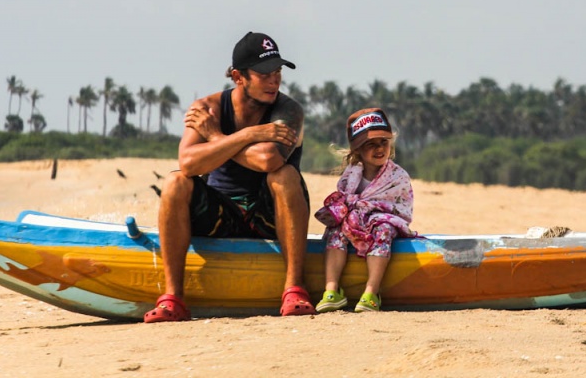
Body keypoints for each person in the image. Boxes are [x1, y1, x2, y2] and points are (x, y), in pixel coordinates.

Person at [144, 31, 314, 322]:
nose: (274, 80)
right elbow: (187, 163)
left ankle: (294, 289)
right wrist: (249, 134)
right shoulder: (206, 108)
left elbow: (268, 159)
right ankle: (173, 299)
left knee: (283, 175)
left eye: (277, 72)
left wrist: (215, 139)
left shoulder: (288, 110)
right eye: (264, 74)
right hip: (220, 213)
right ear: (238, 77)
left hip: (270, 215)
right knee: (174, 181)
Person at [313, 108, 416, 313]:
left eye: (383, 143)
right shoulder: (351, 175)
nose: (379, 149)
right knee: (336, 230)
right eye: (370, 144)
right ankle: (332, 290)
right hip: (355, 220)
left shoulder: (398, 176)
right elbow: (343, 198)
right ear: (358, 149)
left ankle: (371, 292)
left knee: (383, 230)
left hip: (383, 220)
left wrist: (372, 216)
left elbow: (400, 206)